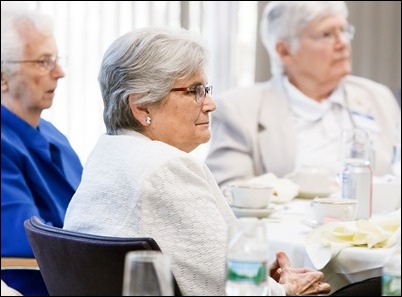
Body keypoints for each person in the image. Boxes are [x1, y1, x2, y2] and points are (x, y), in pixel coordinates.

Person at [63, 27, 331, 296]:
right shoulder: (164, 167)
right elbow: (225, 288)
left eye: (206, 89)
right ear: (142, 106)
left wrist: (260, 277)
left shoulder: (109, 154)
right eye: (194, 91)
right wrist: (283, 290)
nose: (210, 104)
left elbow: (204, 269)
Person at [205, 1, 401, 190]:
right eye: (326, 34)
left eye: (344, 30)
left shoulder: (377, 97)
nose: (342, 43)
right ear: (285, 51)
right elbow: (228, 191)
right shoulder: (239, 109)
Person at [1, 4, 83, 295]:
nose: (59, 72)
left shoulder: (52, 133)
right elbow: (28, 241)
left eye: (57, 59)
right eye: (43, 62)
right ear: (2, 77)